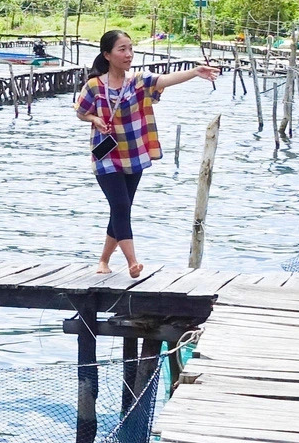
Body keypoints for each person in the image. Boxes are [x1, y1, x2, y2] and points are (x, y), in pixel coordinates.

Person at [74, 29, 216, 277]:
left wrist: (194, 73)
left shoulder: (137, 81)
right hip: (105, 156)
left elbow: (164, 80)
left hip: (134, 154)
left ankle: (103, 261)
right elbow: (81, 111)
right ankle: (132, 262)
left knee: (122, 208)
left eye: (130, 48)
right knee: (119, 204)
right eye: (122, 49)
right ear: (107, 55)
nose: (128, 54)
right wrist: (95, 119)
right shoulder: (94, 86)